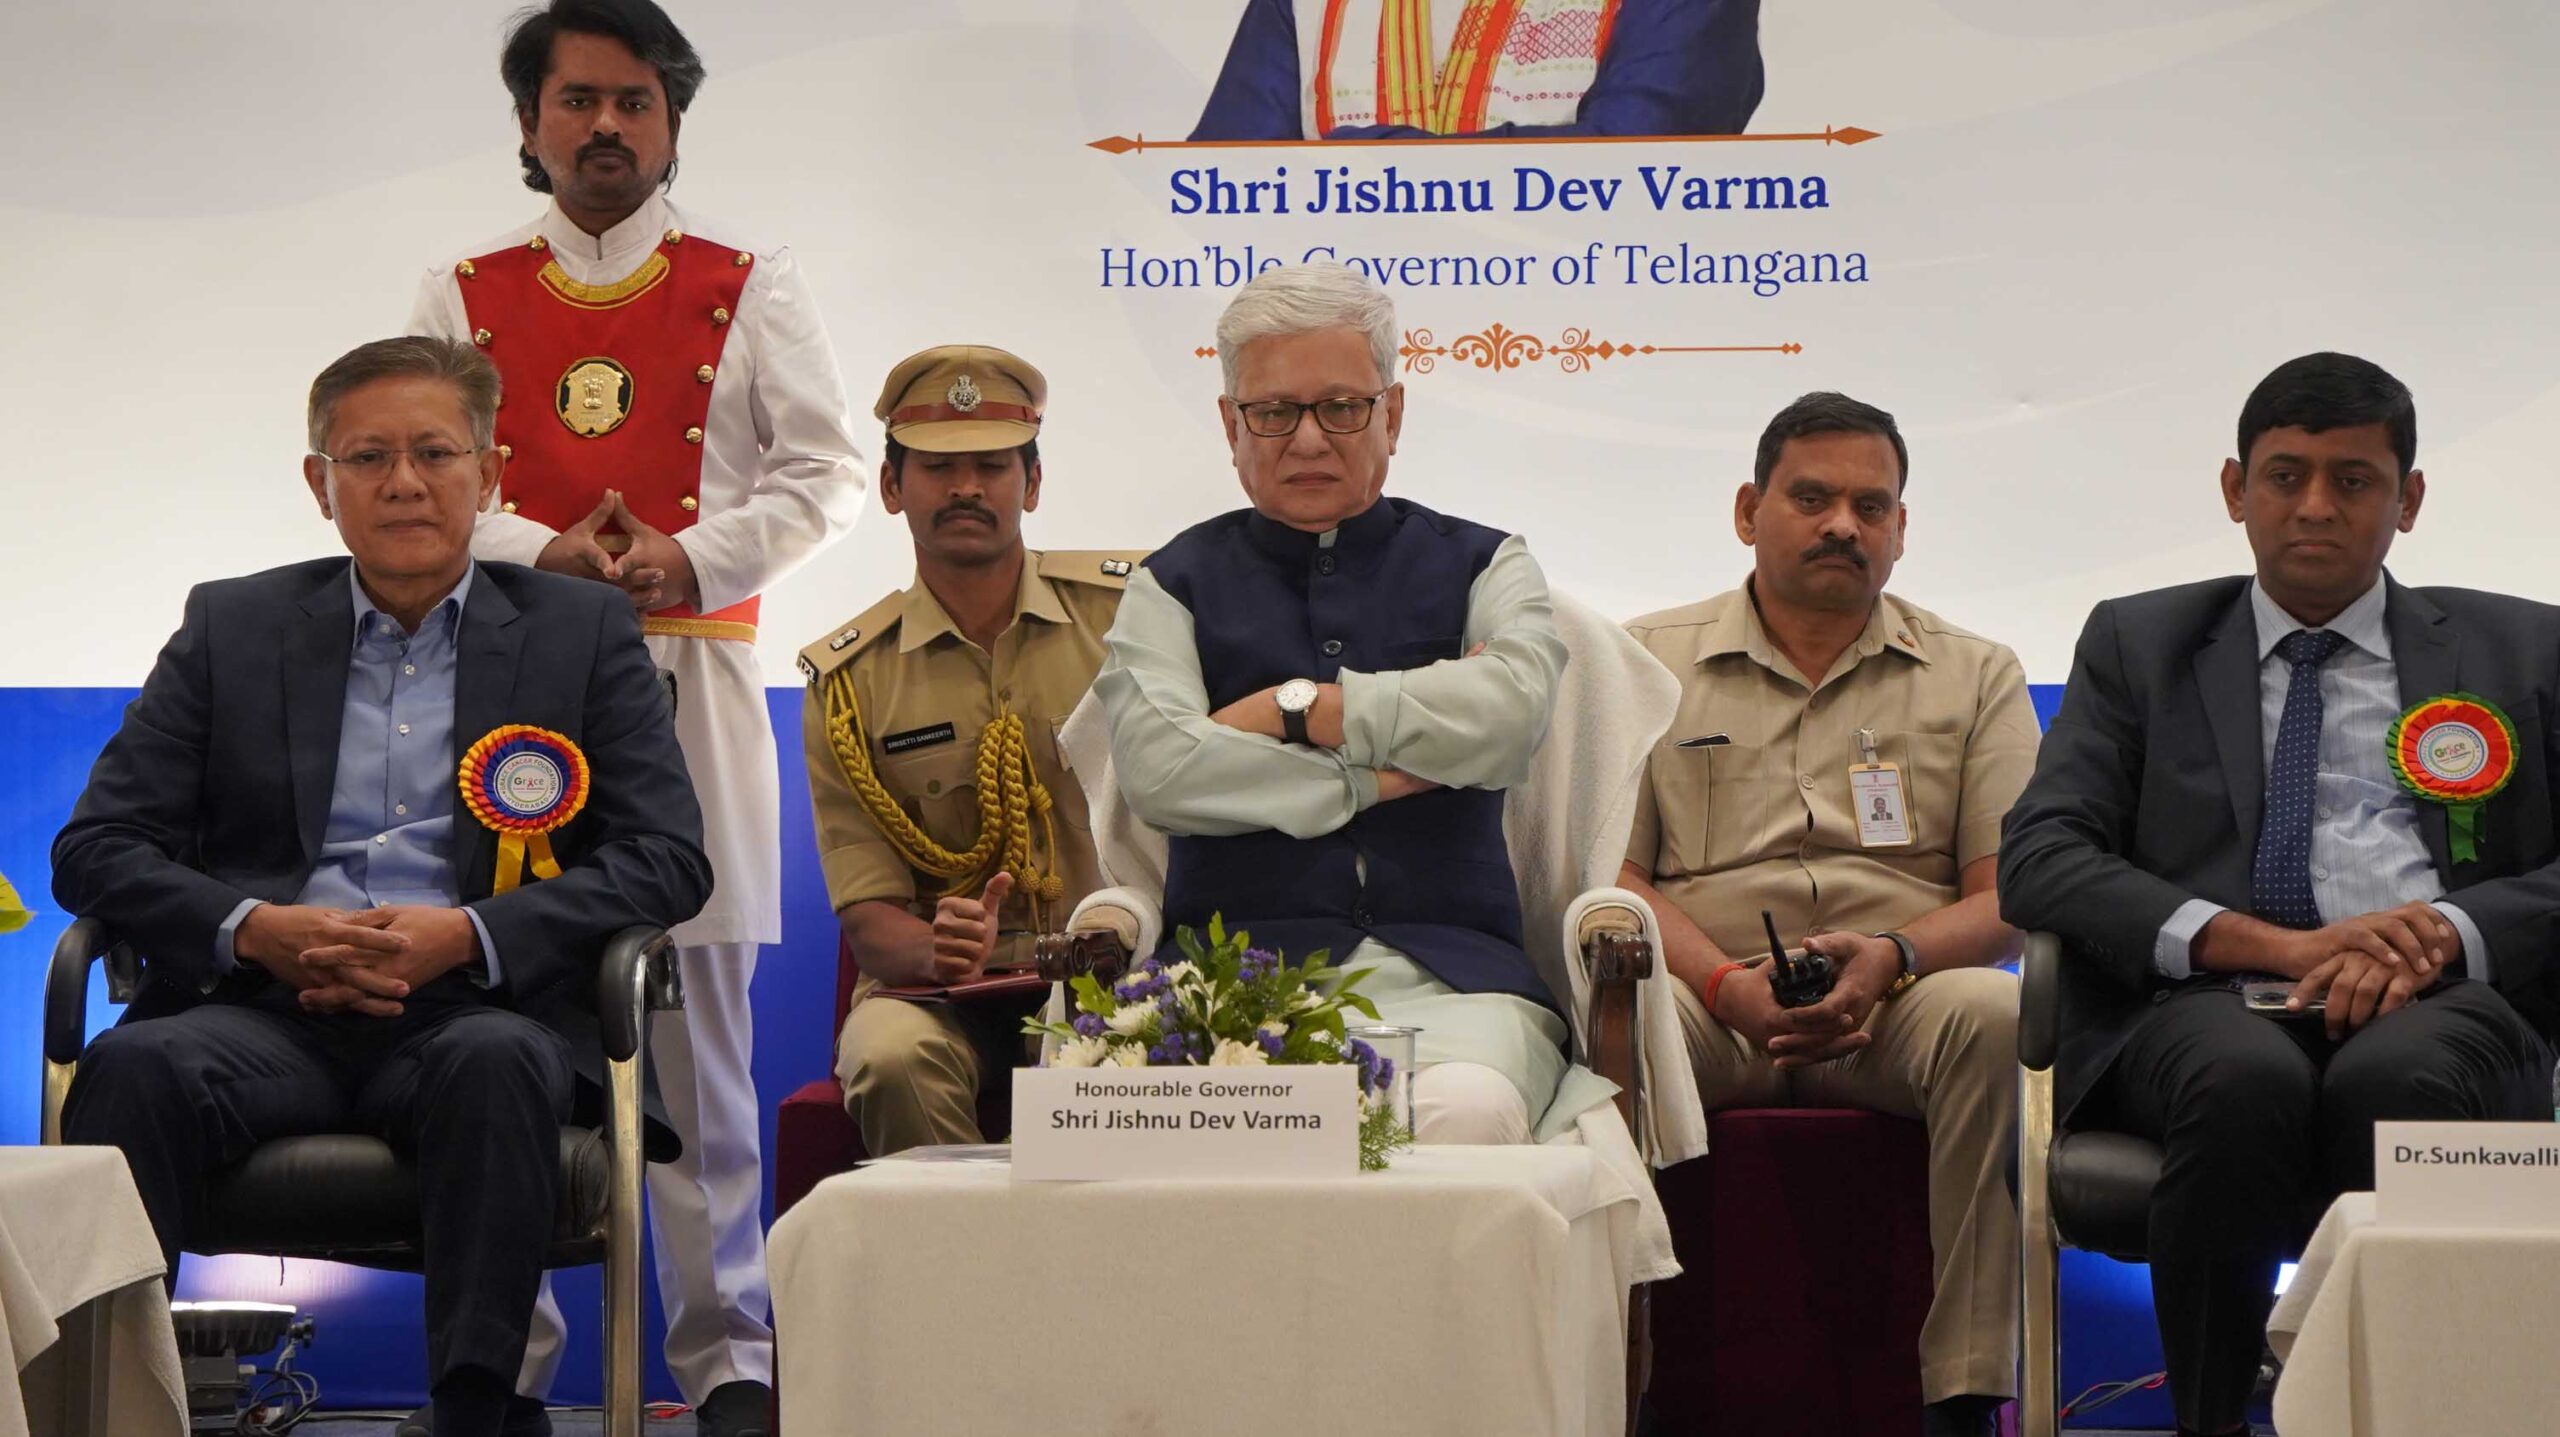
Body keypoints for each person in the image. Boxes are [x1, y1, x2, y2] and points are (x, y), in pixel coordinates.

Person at [53, 336, 711, 1437]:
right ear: (321, 485)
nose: (403, 482)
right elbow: (100, 845)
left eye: (434, 452)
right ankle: (104, 1410)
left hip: (477, 1010)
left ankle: (475, 1411)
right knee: (131, 1069)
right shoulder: (233, 625)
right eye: (367, 458)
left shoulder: (581, 633)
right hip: (260, 1013)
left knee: (496, 1065)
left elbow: (665, 858)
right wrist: (253, 928)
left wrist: (468, 935)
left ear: (489, 474)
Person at [405, 3, 866, 1428]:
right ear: (531, 123)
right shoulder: (459, 288)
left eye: (635, 103)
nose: (607, 127)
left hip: (693, 683)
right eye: (578, 102)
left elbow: (829, 476)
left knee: (701, 1042)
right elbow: (417, 470)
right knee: (498, 1016)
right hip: (503, 702)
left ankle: (729, 1361)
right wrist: (539, 545)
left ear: (672, 121)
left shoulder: (750, 282)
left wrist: (688, 556)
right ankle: (508, 1361)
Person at [2001, 352, 2558, 1437]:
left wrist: (2444, 931)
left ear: (2408, 500)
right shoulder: (2138, 640)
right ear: (2232, 489)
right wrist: (2266, 945)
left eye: (2352, 480)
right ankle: (2209, 1421)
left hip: (2436, 999)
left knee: (2402, 1079)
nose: (2314, 507)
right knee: (2239, 1079)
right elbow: (2042, 855)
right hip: (2204, 1003)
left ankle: (2415, 1414)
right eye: (2284, 475)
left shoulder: (2525, 645)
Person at [1615, 392, 2036, 1437]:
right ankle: (1616, 1381)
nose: (1843, 524)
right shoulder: (1642, 663)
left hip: (1897, 1003)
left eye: (1871, 505)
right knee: (1609, 1022)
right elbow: (1608, 879)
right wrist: (1722, 983)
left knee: (1995, 1016)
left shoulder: (1976, 674)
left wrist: (1892, 956)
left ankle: (1964, 1390)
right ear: (1749, 508)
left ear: (1900, 530)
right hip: (1708, 999)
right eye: (1812, 498)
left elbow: (2011, 897)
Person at [1091, 261, 1588, 1141]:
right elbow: (1163, 774)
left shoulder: (1485, 562)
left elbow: (1509, 714)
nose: (1309, 439)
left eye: (1343, 407)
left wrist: (1298, 710)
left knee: (1458, 1117)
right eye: (1274, 412)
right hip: (1230, 981)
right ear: (1230, 425)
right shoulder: (1171, 583)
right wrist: (1383, 776)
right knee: (1156, 1146)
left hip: (1454, 985)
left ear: (1391, 414)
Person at [799, 345, 1142, 1153]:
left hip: (1113, 976)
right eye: (937, 468)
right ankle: (952, 1277)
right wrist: (937, 947)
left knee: (1128, 1058)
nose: (964, 488)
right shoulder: (849, 684)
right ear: (891, 487)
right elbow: (869, 917)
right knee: (886, 1056)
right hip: (939, 995)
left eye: (991, 465)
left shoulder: (1128, 620)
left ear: (1033, 482)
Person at [1189, 0, 1763, 140]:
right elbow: (1219, 193)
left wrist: (1360, 161)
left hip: (1585, 366)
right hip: (1336, 382)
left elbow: (1632, 174)